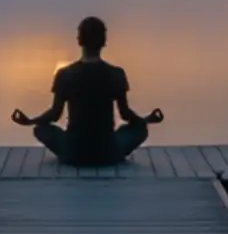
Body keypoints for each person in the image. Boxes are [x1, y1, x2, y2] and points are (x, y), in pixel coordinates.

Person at [12, 16, 164, 165]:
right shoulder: (116, 73)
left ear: (79, 40)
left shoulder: (65, 74)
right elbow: (125, 114)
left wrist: (30, 121)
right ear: (104, 41)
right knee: (138, 129)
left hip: (73, 153)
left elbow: (54, 114)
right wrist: (146, 120)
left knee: (41, 129)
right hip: (108, 152)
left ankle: (72, 150)